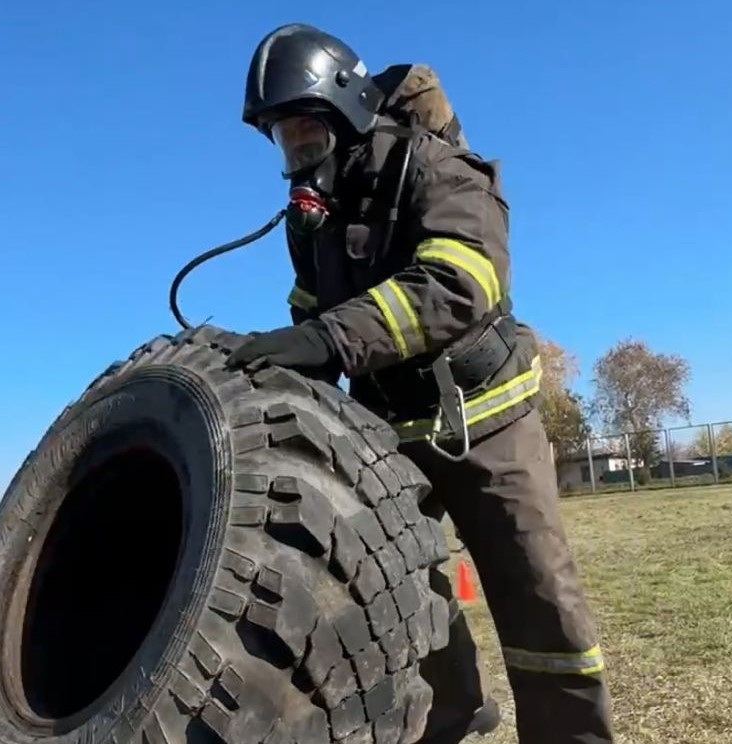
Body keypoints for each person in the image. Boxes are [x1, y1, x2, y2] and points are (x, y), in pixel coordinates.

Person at [226, 23, 614, 744]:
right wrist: (286, 357)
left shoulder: (439, 169)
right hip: (384, 433)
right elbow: (312, 308)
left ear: (346, 110)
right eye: (283, 140)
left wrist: (330, 339)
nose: (297, 155)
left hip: (487, 419)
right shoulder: (310, 217)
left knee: (538, 597)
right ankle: (453, 711)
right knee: (387, 585)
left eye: (306, 132)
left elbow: (459, 282)